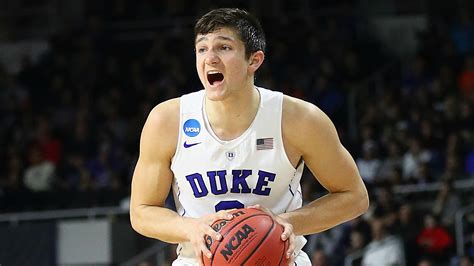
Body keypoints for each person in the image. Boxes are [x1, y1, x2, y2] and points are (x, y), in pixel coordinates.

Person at [129, 8, 369, 266]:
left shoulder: (299, 119)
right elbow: (142, 212)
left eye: (223, 47)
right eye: (202, 49)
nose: (209, 58)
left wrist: (289, 221)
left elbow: (354, 196)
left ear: (254, 60)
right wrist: (191, 228)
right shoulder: (167, 120)